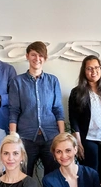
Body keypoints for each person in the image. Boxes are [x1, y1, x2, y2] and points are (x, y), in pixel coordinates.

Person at [8, 41, 65, 177]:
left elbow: (58, 109)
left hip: (50, 136)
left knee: (53, 177)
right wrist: (13, 136)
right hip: (26, 137)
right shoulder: (17, 82)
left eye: (41, 55)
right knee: (23, 177)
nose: (37, 58)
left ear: (45, 58)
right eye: (33, 54)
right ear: (27, 56)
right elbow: (14, 111)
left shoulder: (53, 81)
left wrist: (62, 136)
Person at [68, 55, 101, 172]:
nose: (93, 71)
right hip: (88, 139)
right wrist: (78, 143)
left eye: (96, 67)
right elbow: (73, 119)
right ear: (84, 71)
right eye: (89, 68)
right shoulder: (77, 92)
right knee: (91, 171)